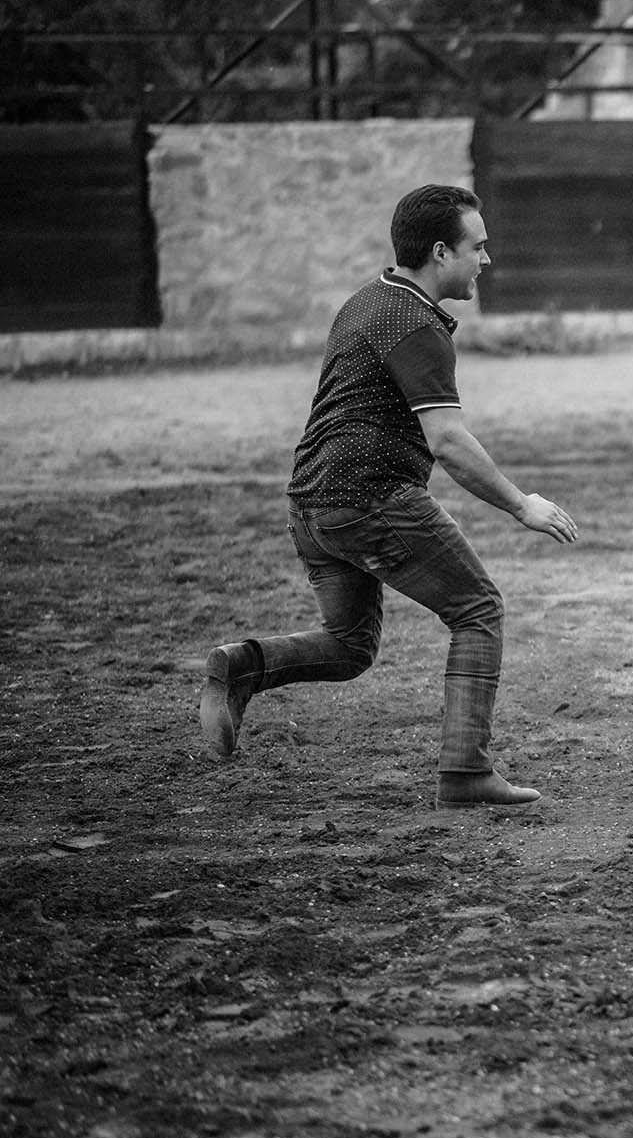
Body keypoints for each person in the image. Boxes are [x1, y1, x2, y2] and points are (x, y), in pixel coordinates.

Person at [198, 184, 579, 809]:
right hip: (372, 499)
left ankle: (240, 665)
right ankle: (465, 773)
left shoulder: (367, 300)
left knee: (350, 646)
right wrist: (520, 504)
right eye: (477, 248)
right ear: (439, 252)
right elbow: (449, 441)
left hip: (310, 502)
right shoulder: (417, 323)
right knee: (478, 609)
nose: (486, 260)